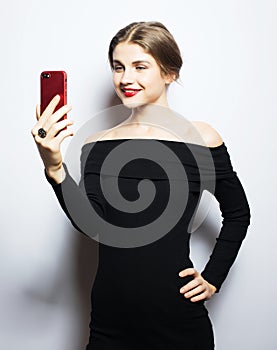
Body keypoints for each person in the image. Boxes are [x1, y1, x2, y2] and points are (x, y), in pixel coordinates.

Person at [31, 21, 251, 350]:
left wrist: (212, 278)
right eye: (118, 67)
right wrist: (55, 165)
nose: (125, 78)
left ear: (169, 73)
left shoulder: (201, 139)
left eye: (140, 66)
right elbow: (91, 223)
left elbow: (238, 213)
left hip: (178, 320)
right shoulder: (97, 144)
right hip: (110, 322)